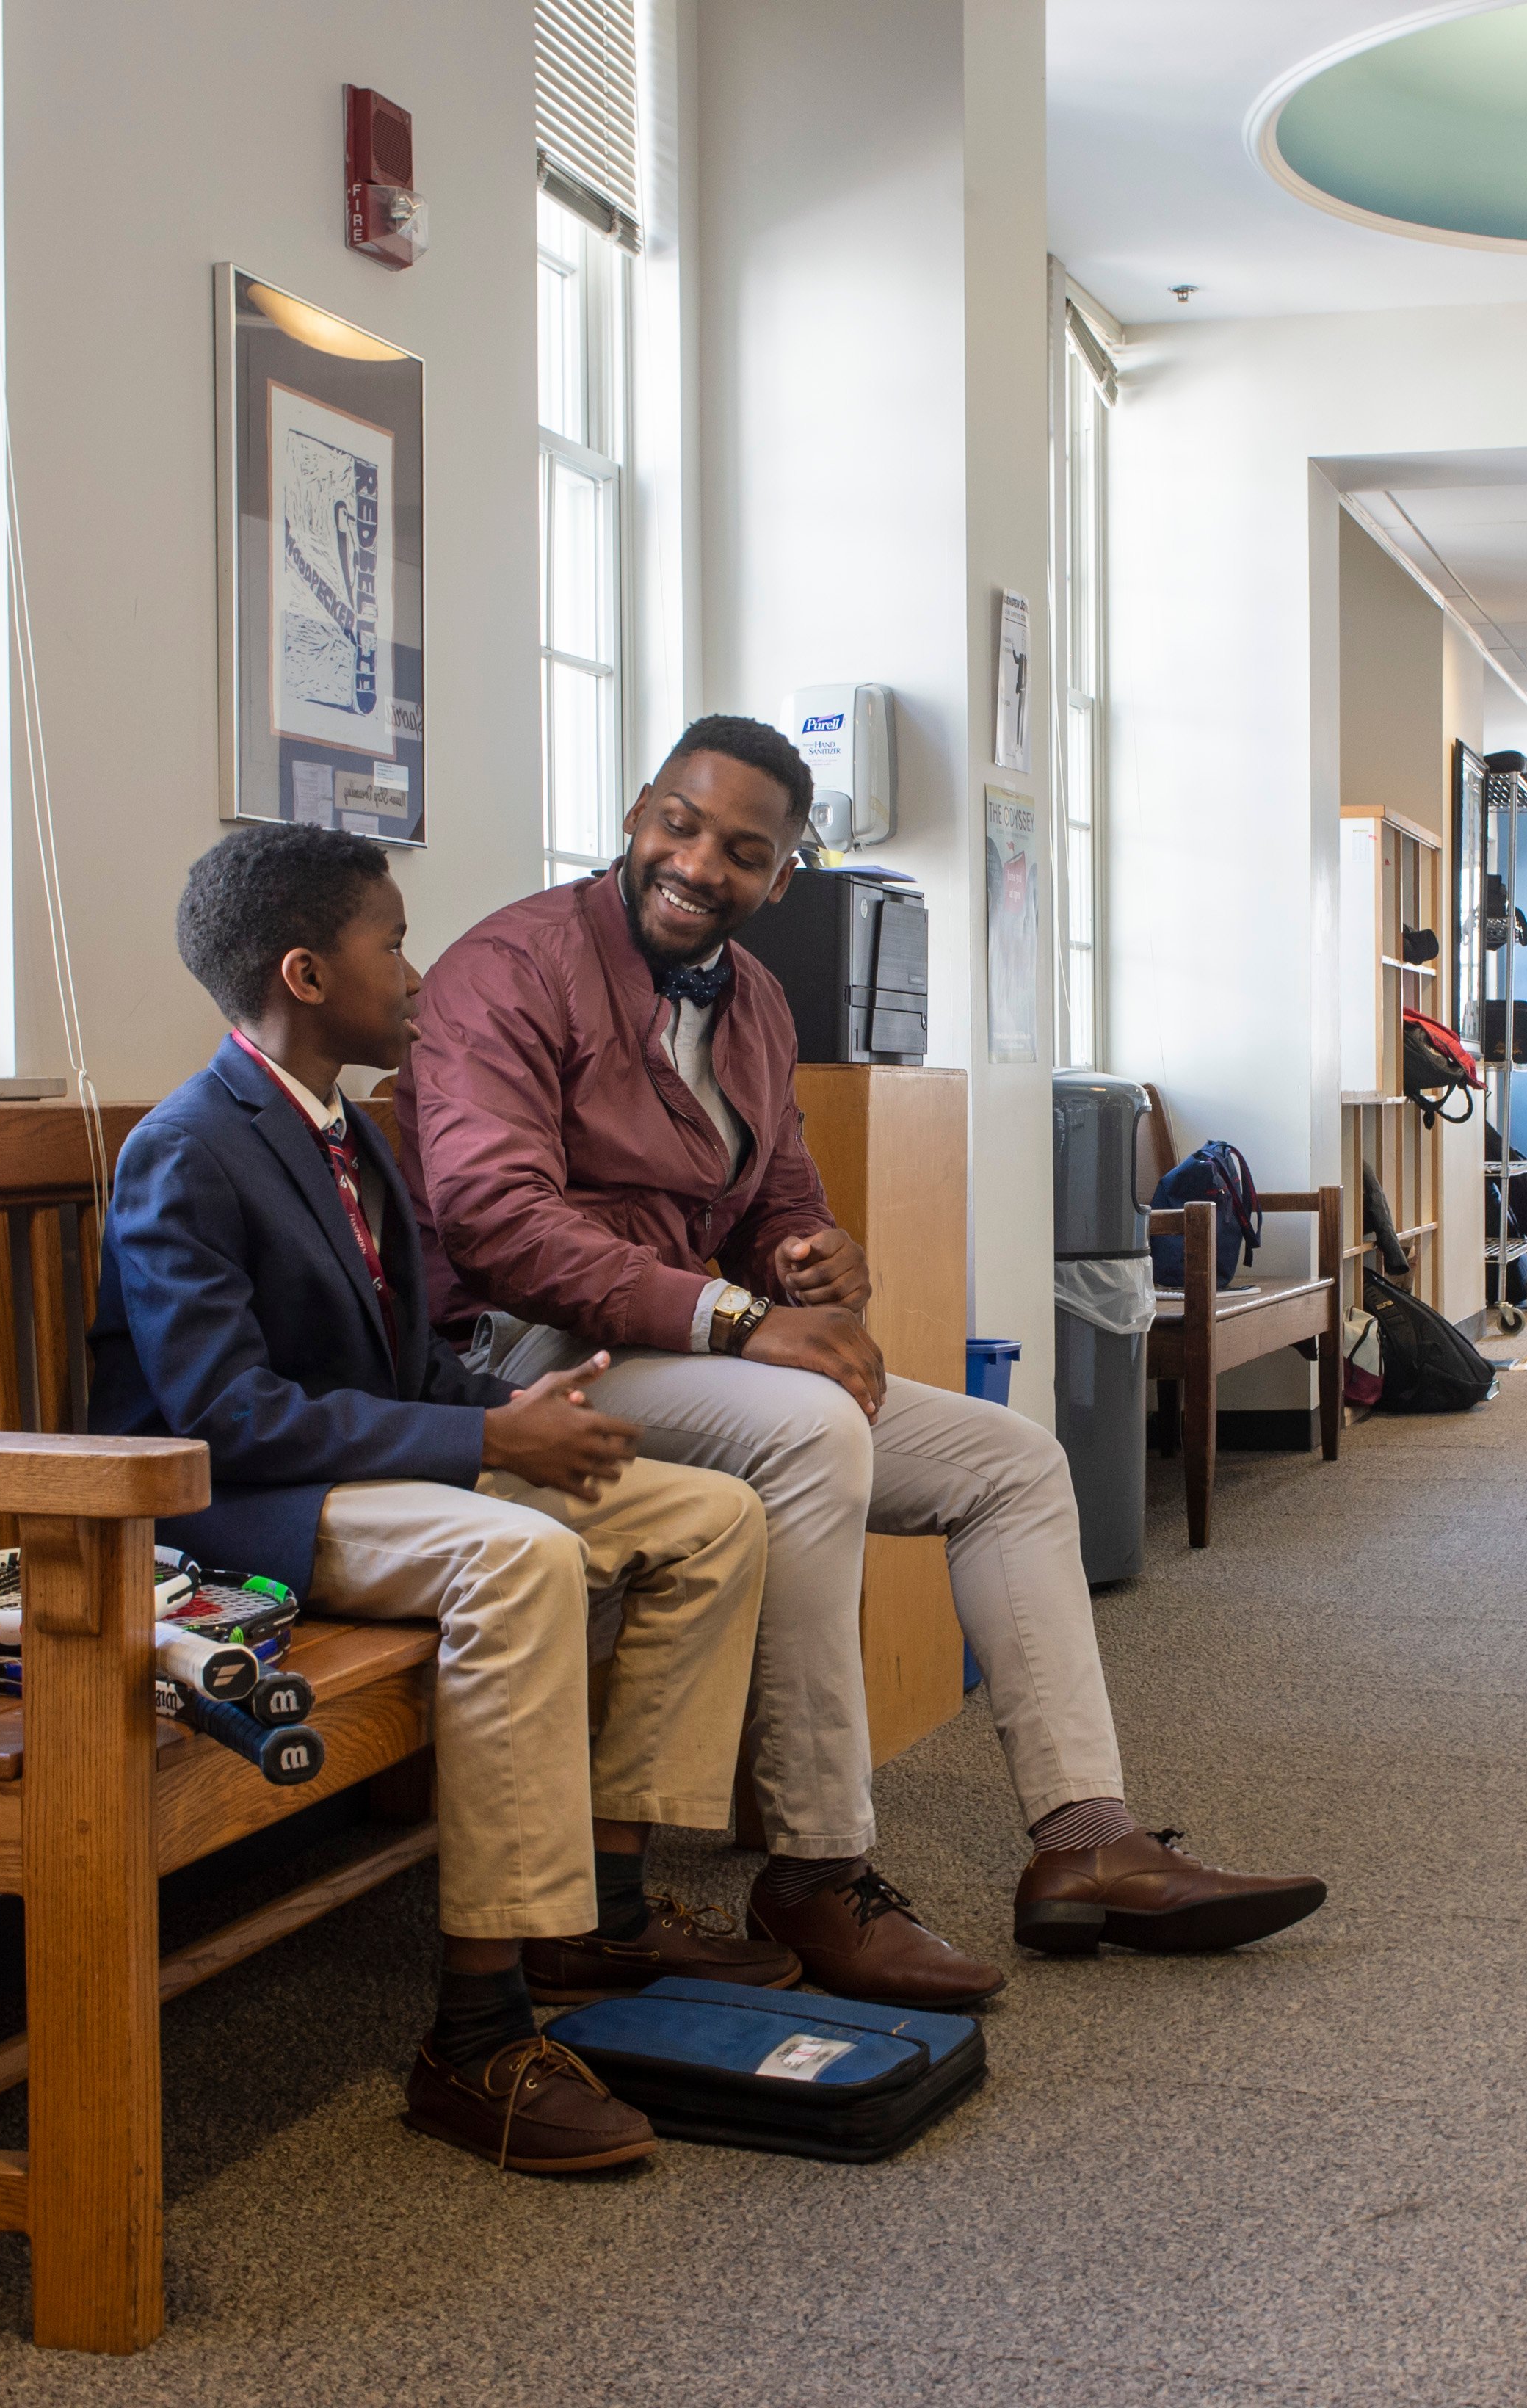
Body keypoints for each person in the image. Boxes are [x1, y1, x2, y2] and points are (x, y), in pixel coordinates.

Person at [393, 715, 1327, 2007]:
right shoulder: (510, 967)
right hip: (527, 1360)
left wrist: (818, 1258)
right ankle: (817, 1866)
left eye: (742, 851)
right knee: (810, 1429)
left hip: (693, 1356)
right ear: (633, 815)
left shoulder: (760, 1001)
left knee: (1013, 1461)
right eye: (679, 824)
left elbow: (782, 1201)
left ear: (783, 879)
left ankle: (1082, 1843)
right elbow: (495, 1225)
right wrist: (738, 1319)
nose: (697, 863)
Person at [91, 820, 794, 2178]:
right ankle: (478, 2028)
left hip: (364, 1474)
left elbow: (409, 1363)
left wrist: (516, 1416)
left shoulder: (356, 1134)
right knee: (521, 1557)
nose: (420, 973)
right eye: (393, 943)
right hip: (233, 1510)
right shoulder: (189, 1149)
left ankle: (610, 1901)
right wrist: (487, 1452)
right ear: (305, 974)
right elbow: (223, 1416)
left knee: (708, 1516)